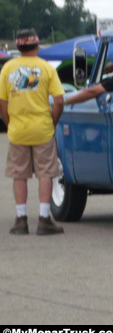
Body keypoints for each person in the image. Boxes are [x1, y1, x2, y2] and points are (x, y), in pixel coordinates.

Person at [0, 28, 65, 235]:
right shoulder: (46, 68)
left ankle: (21, 219)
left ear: (18, 47)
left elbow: (2, 102)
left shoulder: (7, 69)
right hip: (43, 129)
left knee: (20, 174)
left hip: (18, 130)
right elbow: (59, 101)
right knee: (46, 173)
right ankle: (44, 219)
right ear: (36, 46)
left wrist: (10, 123)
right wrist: (52, 122)